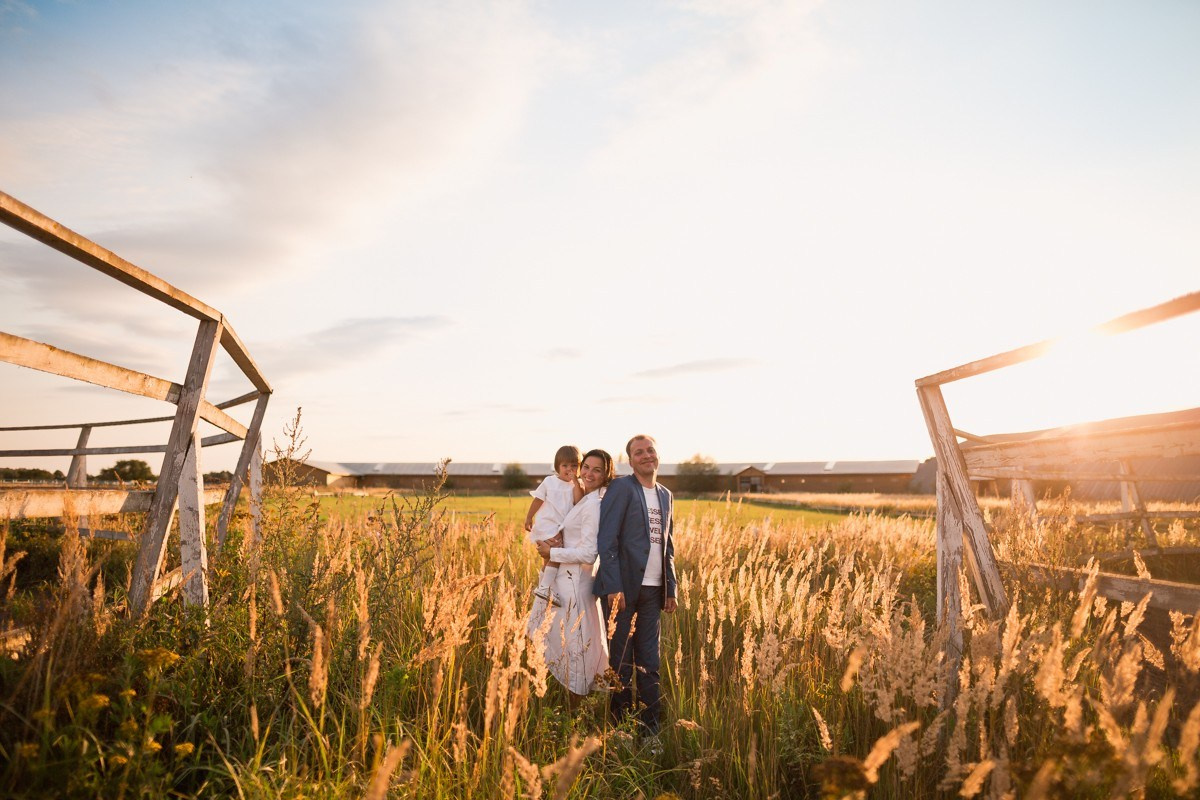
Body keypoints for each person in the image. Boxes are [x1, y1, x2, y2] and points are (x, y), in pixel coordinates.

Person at [593, 434, 677, 750]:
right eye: (639, 452)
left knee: (650, 663)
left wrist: (671, 587)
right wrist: (613, 586)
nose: (646, 455)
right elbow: (607, 540)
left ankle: (651, 733)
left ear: (658, 455)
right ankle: (622, 733)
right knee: (620, 663)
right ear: (631, 461)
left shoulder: (666, 495)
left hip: (654, 592)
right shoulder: (621, 488)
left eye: (650, 450)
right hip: (623, 591)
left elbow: (668, 546)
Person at [534, 449, 615, 701]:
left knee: (576, 651)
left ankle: (576, 710)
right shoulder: (584, 498)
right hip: (566, 584)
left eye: (597, 470)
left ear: (606, 475)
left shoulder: (594, 505)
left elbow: (589, 554)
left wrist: (552, 552)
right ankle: (575, 707)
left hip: (575, 588)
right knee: (570, 649)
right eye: (586, 467)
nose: (589, 473)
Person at [525, 445, 584, 607]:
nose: (569, 469)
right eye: (565, 465)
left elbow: (578, 502)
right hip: (548, 524)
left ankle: (543, 587)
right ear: (557, 466)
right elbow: (538, 499)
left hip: (559, 526)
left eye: (574, 466)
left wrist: (576, 483)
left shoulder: (577, 485)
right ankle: (545, 587)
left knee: (548, 558)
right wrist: (529, 517)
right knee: (556, 553)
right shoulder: (549, 481)